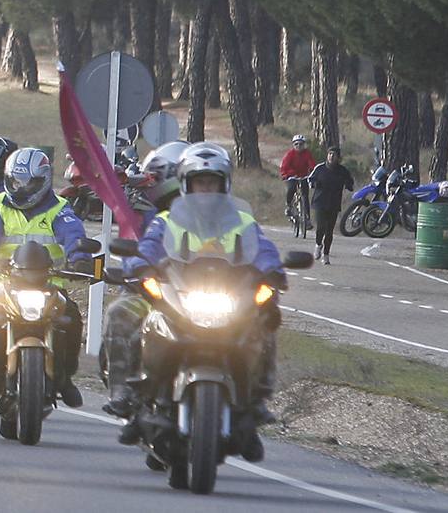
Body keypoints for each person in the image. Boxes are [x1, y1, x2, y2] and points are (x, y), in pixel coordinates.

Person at [128, 142, 285, 453]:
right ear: (186, 184)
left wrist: (273, 270)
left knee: (263, 327)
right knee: (143, 325)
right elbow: (147, 247)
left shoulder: (243, 222)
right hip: (182, 298)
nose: (206, 189)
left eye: (212, 182)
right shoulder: (167, 220)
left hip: (228, 298)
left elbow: (264, 249)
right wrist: (140, 266)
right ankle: (139, 400)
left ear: (224, 184)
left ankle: (254, 403)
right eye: (200, 182)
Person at [0, 147, 91, 408]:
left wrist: (79, 256)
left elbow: (73, 233)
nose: (21, 188)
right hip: (3, 283)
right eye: (15, 182)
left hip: (48, 285)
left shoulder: (60, 209)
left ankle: (65, 377)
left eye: (28, 182)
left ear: (42, 180)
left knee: (72, 318)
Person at [102, 140, 188, 431]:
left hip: (195, 296)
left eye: (156, 177)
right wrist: (137, 269)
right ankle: (122, 389)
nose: (149, 183)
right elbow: (137, 246)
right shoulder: (142, 209)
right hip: (151, 293)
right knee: (119, 314)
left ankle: (250, 397)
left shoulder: (215, 215)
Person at [308, 146, 354, 263]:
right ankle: (318, 245)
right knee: (321, 227)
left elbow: (350, 183)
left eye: (334, 155)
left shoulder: (343, 171)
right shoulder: (320, 168)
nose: (331, 156)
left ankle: (326, 254)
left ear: (338, 158)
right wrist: (314, 184)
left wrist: (348, 185)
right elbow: (310, 179)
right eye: (330, 154)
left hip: (334, 203)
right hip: (320, 202)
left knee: (329, 230)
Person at [280, 134, 315, 224]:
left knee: (305, 196)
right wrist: (287, 175)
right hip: (292, 176)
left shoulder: (307, 153)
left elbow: (311, 163)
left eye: (301, 144)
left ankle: (307, 218)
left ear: (304, 145)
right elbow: (284, 167)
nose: (299, 146)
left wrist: (312, 171)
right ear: (293, 145)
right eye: (296, 144)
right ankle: (289, 206)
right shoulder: (290, 154)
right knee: (291, 188)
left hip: (303, 176)